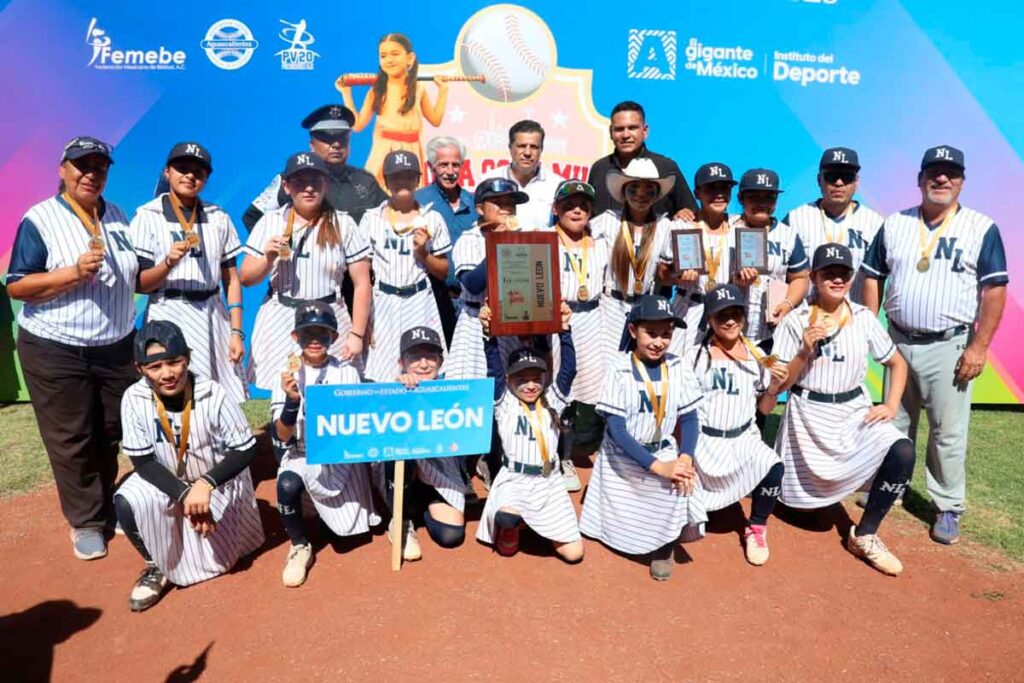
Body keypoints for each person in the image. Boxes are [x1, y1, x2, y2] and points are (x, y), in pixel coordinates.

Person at [861, 145, 1008, 545]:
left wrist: (979, 347)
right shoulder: (896, 224)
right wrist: (871, 328)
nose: (941, 179)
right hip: (897, 339)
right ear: (920, 178)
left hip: (949, 345)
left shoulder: (981, 227)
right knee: (893, 422)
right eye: (934, 172)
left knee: (947, 432)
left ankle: (948, 506)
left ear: (961, 180)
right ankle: (890, 487)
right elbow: (872, 275)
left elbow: (995, 290)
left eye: (950, 173)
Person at [7, 136, 139, 560]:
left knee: (113, 430)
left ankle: (104, 503)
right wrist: (72, 273)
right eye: (82, 165)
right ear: (62, 170)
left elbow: (131, 275)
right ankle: (86, 521)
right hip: (56, 347)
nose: (91, 174)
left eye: (100, 167)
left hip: (115, 345)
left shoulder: (116, 215)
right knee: (72, 437)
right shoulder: (41, 218)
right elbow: (18, 285)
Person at [774, 244, 916, 576]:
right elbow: (779, 385)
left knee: (902, 451)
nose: (837, 279)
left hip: (854, 410)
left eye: (844, 273)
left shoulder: (864, 317)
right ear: (814, 276)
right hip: (808, 415)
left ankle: (865, 534)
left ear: (852, 278)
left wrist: (890, 404)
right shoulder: (796, 321)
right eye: (829, 273)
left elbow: (897, 363)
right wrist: (804, 350)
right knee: (799, 509)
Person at [114, 321, 263, 611]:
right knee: (126, 501)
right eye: (154, 367)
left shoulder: (213, 392)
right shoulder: (133, 397)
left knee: (226, 561)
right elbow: (143, 463)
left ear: (188, 358)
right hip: (169, 482)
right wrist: (185, 494)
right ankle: (155, 564)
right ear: (139, 369)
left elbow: (245, 448)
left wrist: (205, 484)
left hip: (218, 482)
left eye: (174, 362)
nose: (167, 373)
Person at [579, 295, 705, 581]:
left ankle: (665, 544)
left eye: (666, 334)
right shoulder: (618, 368)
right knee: (616, 518)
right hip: (623, 456)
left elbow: (689, 418)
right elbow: (617, 431)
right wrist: (658, 467)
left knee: (681, 483)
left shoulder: (678, 366)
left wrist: (685, 458)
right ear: (633, 330)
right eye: (651, 333)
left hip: (663, 449)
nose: (659, 342)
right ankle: (619, 531)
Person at [240, 152, 372, 390]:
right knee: (282, 393)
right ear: (286, 186)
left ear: (326, 183)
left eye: (315, 180)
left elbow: (362, 283)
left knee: (336, 391)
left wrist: (357, 334)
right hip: (281, 316)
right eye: (300, 181)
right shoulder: (270, 221)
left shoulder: (343, 223)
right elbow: (247, 278)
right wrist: (267, 258)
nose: (309, 188)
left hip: (330, 317)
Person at [132, 142, 247, 404]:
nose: (190, 176)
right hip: (168, 308)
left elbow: (231, 279)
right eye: (182, 168)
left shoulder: (218, 217)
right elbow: (140, 285)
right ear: (167, 172)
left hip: (212, 312)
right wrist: (167, 264)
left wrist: (237, 331)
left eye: (198, 171)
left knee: (221, 396)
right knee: (171, 391)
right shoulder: (147, 215)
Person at [272, 302, 377, 587]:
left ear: (334, 336)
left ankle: (320, 511)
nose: (315, 340)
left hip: (341, 457)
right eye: (308, 333)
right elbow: (281, 437)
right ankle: (299, 545)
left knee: (348, 539)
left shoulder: (347, 371)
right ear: (295, 336)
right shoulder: (286, 374)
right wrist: (291, 402)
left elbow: (359, 424)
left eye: (322, 333)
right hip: (303, 453)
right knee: (287, 484)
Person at [686, 285, 787, 566]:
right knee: (688, 517)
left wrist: (774, 388)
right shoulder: (694, 356)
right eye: (722, 315)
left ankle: (756, 527)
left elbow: (764, 409)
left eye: (736, 314)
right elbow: (684, 411)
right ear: (710, 319)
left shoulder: (760, 355)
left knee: (773, 467)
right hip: (705, 443)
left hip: (743, 438)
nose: (730, 321)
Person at [476, 306, 584, 563]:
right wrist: (488, 335)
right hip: (515, 479)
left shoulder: (552, 400)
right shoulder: (505, 403)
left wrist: (565, 331)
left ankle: (536, 524)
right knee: (506, 522)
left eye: (536, 378)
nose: (530, 385)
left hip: (549, 482)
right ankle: (514, 525)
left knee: (574, 554)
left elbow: (569, 370)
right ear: (510, 380)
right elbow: (494, 370)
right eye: (522, 379)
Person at [375, 327, 469, 561]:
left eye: (430, 356)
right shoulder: (392, 387)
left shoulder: (452, 389)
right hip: (401, 473)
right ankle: (401, 519)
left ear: (441, 361)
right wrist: (399, 391)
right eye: (415, 357)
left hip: (437, 474)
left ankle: (420, 506)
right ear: (401, 362)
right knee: (399, 455)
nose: (424, 364)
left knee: (451, 535)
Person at [361, 151, 450, 382]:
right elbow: (362, 275)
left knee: (424, 368)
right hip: (383, 300)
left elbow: (443, 271)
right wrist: (364, 319)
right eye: (396, 176)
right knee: (382, 373)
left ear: (418, 179)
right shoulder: (371, 218)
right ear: (386, 181)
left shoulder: (432, 217)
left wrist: (423, 254)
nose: (403, 182)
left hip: (419, 298)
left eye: (409, 176)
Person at [550, 180, 610, 489]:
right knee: (556, 388)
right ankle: (553, 453)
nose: (576, 210)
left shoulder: (600, 244)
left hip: (592, 317)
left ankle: (568, 454)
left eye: (583, 205)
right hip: (557, 318)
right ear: (555, 209)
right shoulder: (545, 240)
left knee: (582, 394)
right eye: (569, 205)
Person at [242, 104, 387, 231]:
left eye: (342, 138)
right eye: (328, 138)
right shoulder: (292, 180)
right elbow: (252, 216)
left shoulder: (365, 181)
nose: (336, 145)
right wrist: (284, 248)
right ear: (312, 145)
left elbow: (391, 217)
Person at [591, 157, 677, 357]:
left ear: (657, 195)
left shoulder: (664, 226)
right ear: (623, 192)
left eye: (649, 190)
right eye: (634, 189)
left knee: (640, 366)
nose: (641, 195)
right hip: (609, 306)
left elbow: (668, 269)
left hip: (645, 308)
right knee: (609, 366)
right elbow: (577, 238)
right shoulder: (607, 220)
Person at [444, 178, 529, 380]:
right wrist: (498, 243)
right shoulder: (469, 239)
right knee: (475, 387)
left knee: (510, 385)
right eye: (498, 203)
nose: (506, 208)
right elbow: (473, 285)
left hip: (512, 323)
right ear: (480, 209)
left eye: (511, 203)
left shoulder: (523, 238)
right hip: (475, 322)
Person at [337, 32, 449, 186]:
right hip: (384, 151)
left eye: (395, 54)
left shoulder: (418, 88)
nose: (389, 60)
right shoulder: (377, 90)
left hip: (412, 151)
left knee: (410, 194)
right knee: (378, 193)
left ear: (410, 58)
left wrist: (443, 91)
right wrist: (346, 93)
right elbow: (357, 125)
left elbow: (435, 120)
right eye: (383, 56)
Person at [783, 147, 883, 304]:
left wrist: (869, 318)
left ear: (857, 181)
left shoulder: (875, 223)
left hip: (854, 316)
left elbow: (877, 279)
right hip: (805, 315)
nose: (839, 183)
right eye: (832, 176)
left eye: (847, 176)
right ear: (819, 179)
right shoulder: (795, 219)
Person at [662, 162, 738, 354]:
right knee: (677, 365)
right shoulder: (680, 226)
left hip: (726, 311)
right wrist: (677, 275)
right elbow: (661, 274)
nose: (719, 194)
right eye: (711, 188)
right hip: (689, 306)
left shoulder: (740, 227)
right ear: (697, 193)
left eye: (724, 188)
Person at [731, 168, 810, 348]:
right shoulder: (726, 228)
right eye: (754, 197)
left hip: (771, 330)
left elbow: (800, 277)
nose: (762, 203)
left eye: (769, 197)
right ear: (741, 198)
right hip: (728, 324)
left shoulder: (787, 235)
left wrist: (788, 303)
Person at [416, 136, 479, 345]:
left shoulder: (475, 203)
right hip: (434, 299)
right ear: (431, 167)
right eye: (444, 165)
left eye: (455, 165)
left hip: (471, 302)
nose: (450, 171)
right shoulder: (419, 202)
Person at [588, 101, 697, 220]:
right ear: (611, 132)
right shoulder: (599, 169)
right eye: (619, 129)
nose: (625, 135)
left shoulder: (666, 167)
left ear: (645, 131)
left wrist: (685, 213)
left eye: (632, 128)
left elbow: (691, 212)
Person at [481, 120, 561, 231]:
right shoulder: (488, 180)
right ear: (510, 147)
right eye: (522, 146)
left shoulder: (556, 184)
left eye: (534, 147)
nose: (527, 153)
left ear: (541, 149)